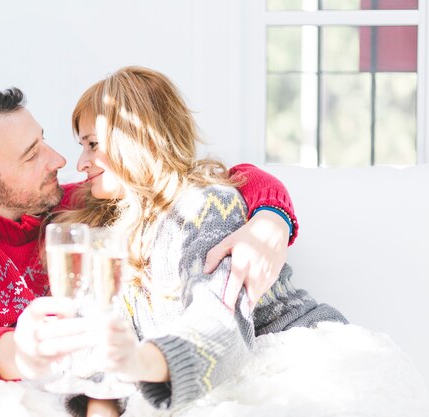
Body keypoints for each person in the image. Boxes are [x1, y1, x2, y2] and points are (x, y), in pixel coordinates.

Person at [0, 87, 300, 387]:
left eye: (44, 139)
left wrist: (271, 218)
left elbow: (198, 179)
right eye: (32, 154)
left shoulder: (80, 202)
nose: (59, 160)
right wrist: (19, 352)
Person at [50, 66, 347, 416]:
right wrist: (101, 403)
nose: (81, 163)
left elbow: (221, 325)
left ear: (136, 139)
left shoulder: (203, 207)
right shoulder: (103, 227)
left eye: (93, 144)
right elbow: (97, 343)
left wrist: (139, 360)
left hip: (301, 361)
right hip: (206, 378)